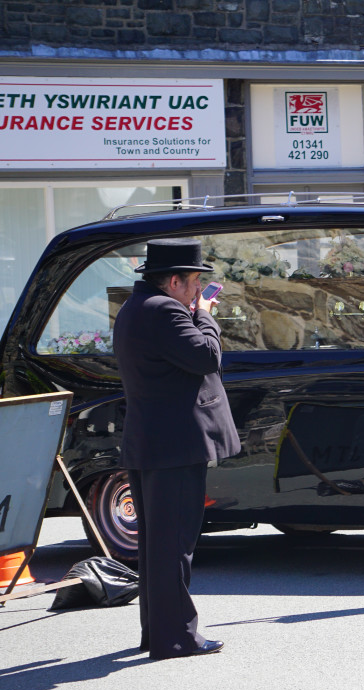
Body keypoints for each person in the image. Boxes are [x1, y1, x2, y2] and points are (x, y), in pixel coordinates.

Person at [113, 238, 241, 660]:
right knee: (174, 547)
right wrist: (205, 316)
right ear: (173, 281)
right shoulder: (165, 310)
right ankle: (176, 638)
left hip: (154, 441)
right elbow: (206, 356)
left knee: (157, 545)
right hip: (175, 444)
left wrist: (195, 311)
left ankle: (160, 632)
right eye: (193, 284)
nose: (197, 292)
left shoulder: (138, 307)